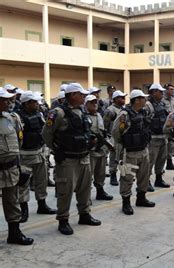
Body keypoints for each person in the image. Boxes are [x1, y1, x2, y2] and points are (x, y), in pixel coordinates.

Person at [42, 83, 101, 235]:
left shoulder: (82, 111)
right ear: (73, 95)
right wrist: (57, 149)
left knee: (85, 188)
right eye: (81, 94)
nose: (83, 97)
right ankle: (63, 219)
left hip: (83, 157)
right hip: (68, 159)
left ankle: (84, 214)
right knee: (65, 191)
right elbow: (46, 134)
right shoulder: (58, 113)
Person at [112, 89, 155, 215]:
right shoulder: (124, 115)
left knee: (144, 176)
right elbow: (116, 133)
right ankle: (126, 203)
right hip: (130, 152)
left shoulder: (143, 112)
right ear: (136, 100)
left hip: (143, 150)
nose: (145, 100)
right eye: (143, 98)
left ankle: (141, 198)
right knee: (127, 178)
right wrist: (124, 144)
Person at [0, 88, 34, 245]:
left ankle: (14, 233)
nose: (8, 102)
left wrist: (18, 164)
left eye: (9, 99)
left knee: (12, 201)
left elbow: (18, 142)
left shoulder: (11, 118)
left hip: (11, 167)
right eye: (4, 99)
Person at [17, 91, 57, 223]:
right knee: (23, 183)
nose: (37, 104)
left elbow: (44, 130)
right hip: (24, 155)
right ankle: (24, 209)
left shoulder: (39, 114)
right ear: (26, 103)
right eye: (34, 102)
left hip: (39, 153)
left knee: (42, 181)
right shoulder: (17, 116)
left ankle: (42, 205)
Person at [85, 94, 113, 201]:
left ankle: (100, 191)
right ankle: (86, 196)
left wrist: (108, 144)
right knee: (88, 175)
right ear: (86, 104)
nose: (94, 104)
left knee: (100, 173)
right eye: (91, 103)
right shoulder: (84, 117)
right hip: (91, 150)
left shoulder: (99, 115)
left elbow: (103, 132)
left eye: (95, 102)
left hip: (101, 148)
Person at [145, 83, 170, 190]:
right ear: (154, 92)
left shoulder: (162, 104)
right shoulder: (148, 105)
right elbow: (144, 121)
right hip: (153, 138)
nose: (162, 94)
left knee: (161, 160)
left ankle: (159, 179)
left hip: (163, 137)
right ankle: (146, 182)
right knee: (150, 161)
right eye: (160, 92)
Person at [103, 90, 127, 186]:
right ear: (116, 99)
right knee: (114, 156)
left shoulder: (124, 109)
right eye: (122, 98)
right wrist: (108, 138)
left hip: (123, 136)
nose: (124, 99)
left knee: (123, 157)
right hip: (113, 136)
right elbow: (105, 124)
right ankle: (113, 174)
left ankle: (123, 175)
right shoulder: (110, 110)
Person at [162, 83, 174, 170]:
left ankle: (169, 162)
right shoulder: (162, 100)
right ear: (166, 90)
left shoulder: (173, 100)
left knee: (171, 145)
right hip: (165, 125)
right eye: (170, 89)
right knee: (164, 145)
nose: (172, 91)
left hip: (172, 126)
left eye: (173, 89)